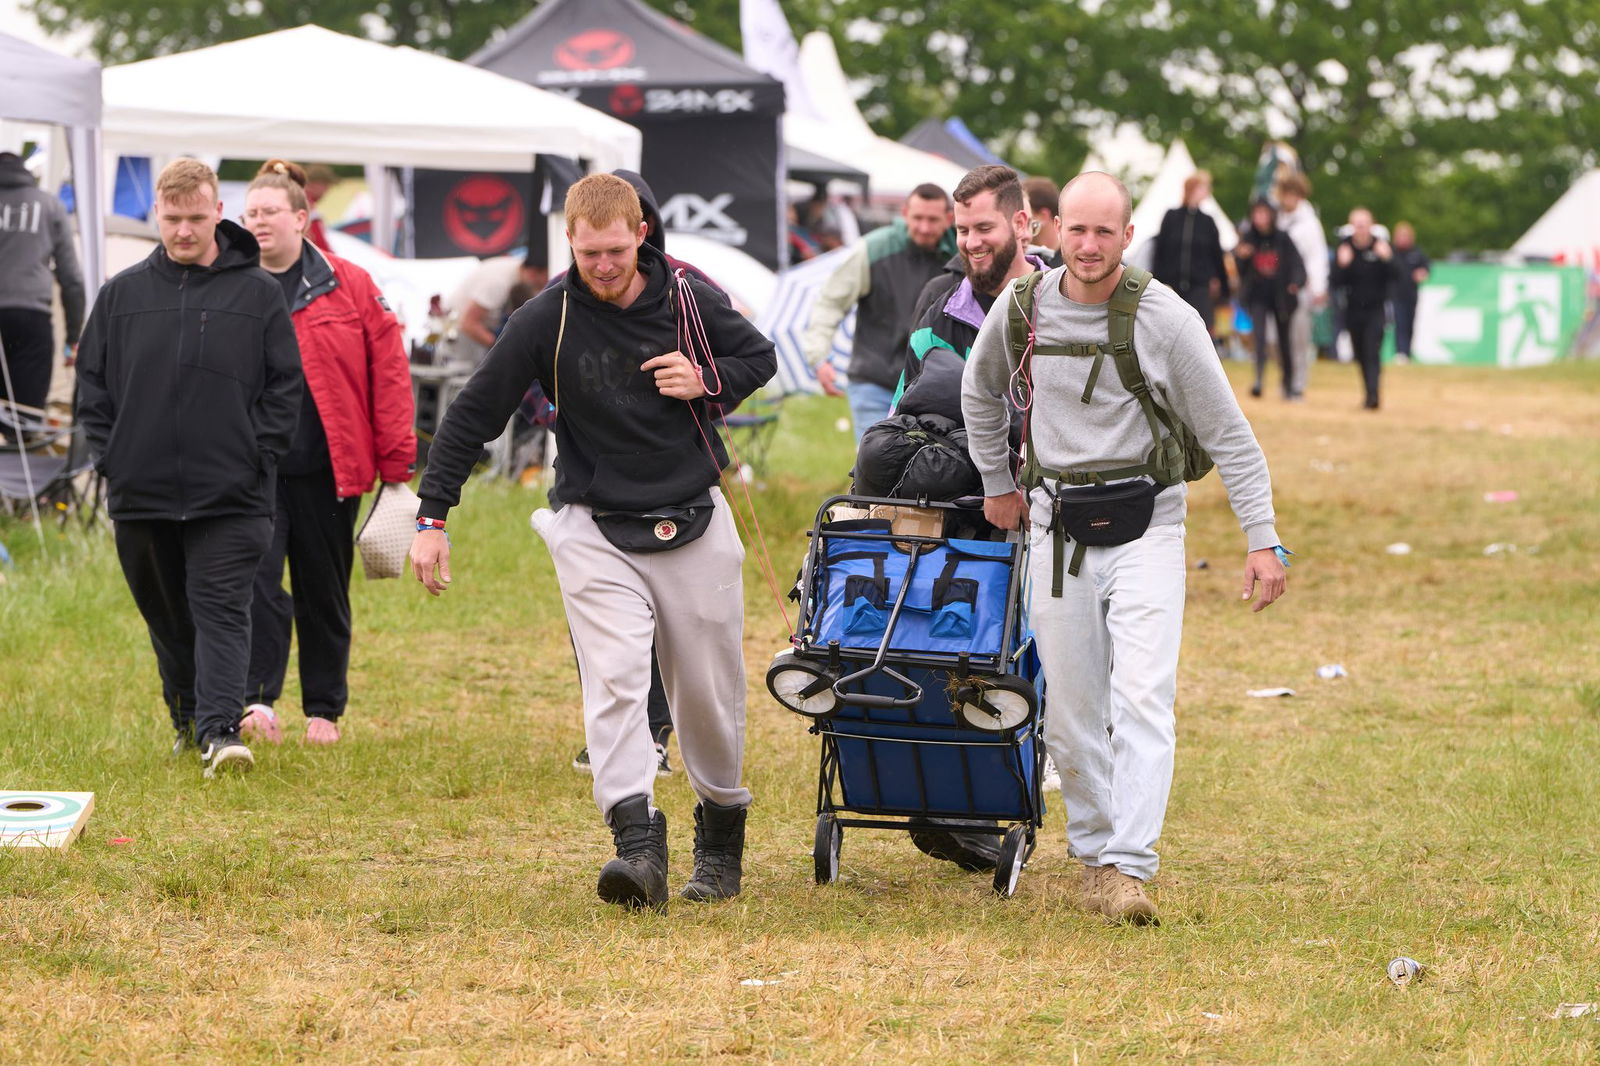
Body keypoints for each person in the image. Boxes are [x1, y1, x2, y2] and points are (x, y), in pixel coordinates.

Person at [409, 173, 776, 910]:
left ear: (640, 233)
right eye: (588, 253)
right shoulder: (545, 317)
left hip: (693, 512)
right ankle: (636, 846)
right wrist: (431, 518)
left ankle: (721, 840)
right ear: (569, 242)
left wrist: (705, 379)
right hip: (592, 519)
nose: (603, 266)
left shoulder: (687, 296)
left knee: (706, 692)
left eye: (614, 250)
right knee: (613, 679)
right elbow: (472, 415)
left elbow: (759, 360)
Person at [961, 171, 1286, 924]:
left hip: (1151, 523)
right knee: (1073, 709)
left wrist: (1262, 539)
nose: (1089, 245)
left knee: (1143, 696)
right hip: (1054, 522)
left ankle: (1130, 868)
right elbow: (980, 395)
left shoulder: (1165, 318)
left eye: (1105, 231)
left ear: (1129, 236)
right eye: (1075, 229)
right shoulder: (1020, 311)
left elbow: (1230, 436)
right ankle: (1096, 855)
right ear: (1048, 229)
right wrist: (995, 482)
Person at [75, 158, 302, 777]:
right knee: (168, 614)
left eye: (196, 218)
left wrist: (259, 457)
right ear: (157, 215)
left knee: (221, 608)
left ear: (217, 213)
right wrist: (111, 459)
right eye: (173, 219)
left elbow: (285, 387)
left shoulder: (257, 294)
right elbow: (91, 388)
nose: (183, 231)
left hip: (233, 494)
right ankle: (186, 721)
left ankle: (221, 733)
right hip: (141, 491)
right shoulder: (121, 295)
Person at [236, 159, 417, 747]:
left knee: (323, 588)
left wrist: (396, 463)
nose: (258, 222)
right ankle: (256, 701)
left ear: (300, 216)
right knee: (255, 586)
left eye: (269, 212)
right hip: (251, 471)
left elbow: (388, 372)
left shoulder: (351, 283)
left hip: (326, 469)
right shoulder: (231, 282)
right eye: (250, 213)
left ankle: (323, 709)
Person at [801, 184, 955, 439]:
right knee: (875, 466)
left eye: (933, 219)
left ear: (949, 219)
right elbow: (831, 301)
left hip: (934, 385)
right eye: (918, 218)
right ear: (905, 213)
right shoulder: (873, 249)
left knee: (927, 472)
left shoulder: (962, 255)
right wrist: (818, 357)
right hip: (875, 379)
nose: (924, 227)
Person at [0, 150, 85, 436]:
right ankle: (19, 477)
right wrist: (73, 336)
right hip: (30, 318)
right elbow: (72, 277)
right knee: (24, 422)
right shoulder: (49, 205)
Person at [1233, 199, 1306, 400]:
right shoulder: (1248, 238)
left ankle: (1288, 384)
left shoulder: (1282, 238)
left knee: (1284, 342)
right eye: (1257, 214)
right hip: (1258, 297)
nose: (1260, 218)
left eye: (1264, 214)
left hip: (1281, 297)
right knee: (1260, 338)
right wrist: (1242, 257)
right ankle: (1258, 381)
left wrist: (1295, 283)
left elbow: (1298, 265)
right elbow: (1237, 268)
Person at [1151, 170, 1230, 349]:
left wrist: (1223, 287)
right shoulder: (1171, 217)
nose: (1207, 191)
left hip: (1199, 287)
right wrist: (1156, 280)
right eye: (1204, 187)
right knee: (1170, 330)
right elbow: (1159, 250)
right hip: (1171, 285)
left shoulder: (1208, 222)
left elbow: (1217, 256)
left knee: (1198, 330)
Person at [439, 254, 548, 369]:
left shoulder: (514, 270)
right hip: (463, 342)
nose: (544, 285)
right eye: (543, 281)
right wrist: (504, 350)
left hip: (469, 333)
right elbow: (468, 324)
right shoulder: (498, 284)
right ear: (533, 273)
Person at [1333, 207, 1394, 409]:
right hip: (1353, 310)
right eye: (1357, 225)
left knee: (1372, 351)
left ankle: (1373, 395)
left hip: (1376, 310)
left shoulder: (1381, 247)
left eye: (1364, 224)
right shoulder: (1345, 248)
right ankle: (1368, 393)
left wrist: (1388, 258)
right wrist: (1342, 265)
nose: (1360, 229)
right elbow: (1334, 282)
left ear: (1371, 225)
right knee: (1359, 353)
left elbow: (1399, 276)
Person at [1274, 173, 1329, 390]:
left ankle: (1298, 383)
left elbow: (1317, 256)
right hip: (1278, 288)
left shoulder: (1309, 223)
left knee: (1299, 338)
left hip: (1300, 287)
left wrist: (1318, 287)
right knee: (1277, 339)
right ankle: (1285, 378)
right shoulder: (1277, 219)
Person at [1389, 222, 1430, 364]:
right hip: (1395, 294)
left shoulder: (1416, 252)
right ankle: (1401, 352)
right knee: (1399, 322)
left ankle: (1407, 352)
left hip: (1411, 294)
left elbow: (1426, 268)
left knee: (1410, 323)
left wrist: (1422, 273)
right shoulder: (1391, 252)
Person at [1022, 175, 1064, 269]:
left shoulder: (1069, 264)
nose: (1020, 224)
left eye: (1026, 216)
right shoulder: (1028, 259)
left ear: (1043, 216)